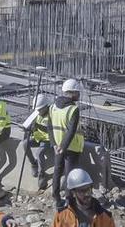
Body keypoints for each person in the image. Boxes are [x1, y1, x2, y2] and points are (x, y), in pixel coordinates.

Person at [50, 79, 85, 210]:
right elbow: (70, 131)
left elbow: (50, 127)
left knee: (57, 171)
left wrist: (55, 144)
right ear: (71, 93)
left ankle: (56, 196)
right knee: (70, 175)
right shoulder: (73, 109)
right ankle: (69, 202)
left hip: (57, 145)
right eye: (77, 92)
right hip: (71, 148)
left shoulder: (53, 106)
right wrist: (63, 147)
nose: (79, 95)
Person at [23, 94, 53, 189]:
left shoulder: (52, 114)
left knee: (39, 153)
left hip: (48, 139)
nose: (38, 111)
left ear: (46, 106)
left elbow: (50, 130)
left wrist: (37, 126)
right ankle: (33, 163)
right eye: (37, 109)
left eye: (40, 109)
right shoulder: (36, 113)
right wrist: (29, 127)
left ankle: (42, 175)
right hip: (38, 137)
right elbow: (31, 125)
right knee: (25, 144)